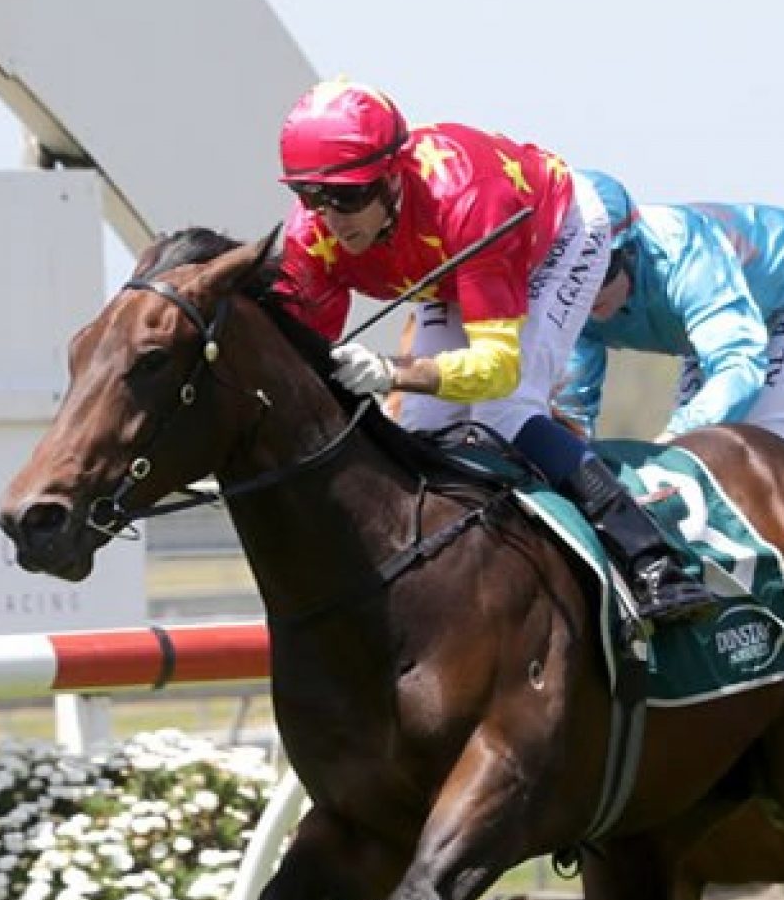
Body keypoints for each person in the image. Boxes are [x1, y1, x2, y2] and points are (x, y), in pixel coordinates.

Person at [270, 80, 714, 624]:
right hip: (451, 269)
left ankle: (650, 557)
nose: (331, 218)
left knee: (505, 409)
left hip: (553, 236)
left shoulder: (467, 201)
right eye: (312, 196)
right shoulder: (314, 238)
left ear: (392, 177)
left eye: (347, 196)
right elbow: (305, 367)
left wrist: (391, 370)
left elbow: (496, 369)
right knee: (419, 428)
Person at [556, 171, 784, 454]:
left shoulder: (685, 255)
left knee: (771, 448)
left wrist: (666, 446)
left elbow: (738, 365)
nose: (585, 291)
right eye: (569, 276)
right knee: (701, 463)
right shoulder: (564, 300)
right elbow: (573, 412)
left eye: (599, 270)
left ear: (631, 250)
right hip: (722, 320)